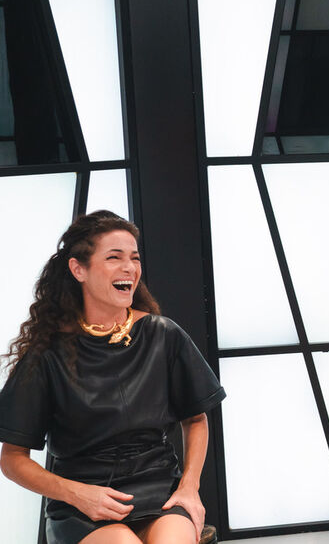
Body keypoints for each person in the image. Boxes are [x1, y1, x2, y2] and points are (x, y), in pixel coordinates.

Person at [0, 211, 225, 544]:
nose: (129, 268)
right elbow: (12, 459)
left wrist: (189, 488)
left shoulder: (163, 334)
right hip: (82, 505)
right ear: (78, 269)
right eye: (114, 257)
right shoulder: (47, 353)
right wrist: (76, 494)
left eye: (134, 258)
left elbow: (196, 419)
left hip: (159, 492)